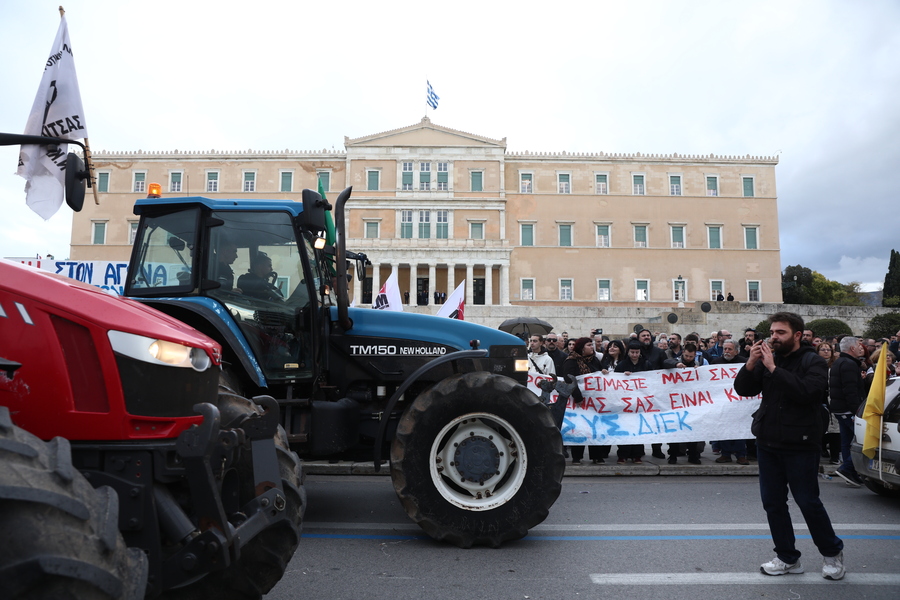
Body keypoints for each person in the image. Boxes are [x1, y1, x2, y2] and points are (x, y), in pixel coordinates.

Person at [734, 312, 845, 581]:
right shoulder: (768, 359)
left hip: (801, 444)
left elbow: (808, 393)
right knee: (773, 503)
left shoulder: (813, 361)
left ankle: (832, 553)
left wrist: (773, 369)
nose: (774, 337)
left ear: (797, 335)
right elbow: (744, 389)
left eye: (780, 332)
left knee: (808, 502)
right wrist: (751, 363)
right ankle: (787, 557)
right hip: (768, 442)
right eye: (772, 332)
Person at [561, 337, 605, 465]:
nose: (592, 347)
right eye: (589, 345)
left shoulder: (594, 360)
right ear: (581, 348)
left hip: (593, 400)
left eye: (592, 345)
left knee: (595, 427)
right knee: (579, 427)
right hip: (578, 401)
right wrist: (578, 396)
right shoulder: (571, 361)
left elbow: (598, 375)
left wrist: (603, 372)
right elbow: (569, 379)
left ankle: (597, 456)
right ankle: (577, 456)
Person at [828, 336, 866, 488]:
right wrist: (857, 411)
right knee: (864, 440)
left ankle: (851, 472)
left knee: (847, 441)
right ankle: (847, 468)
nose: (861, 348)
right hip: (848, 410)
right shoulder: (849, 364)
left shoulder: (840, 362)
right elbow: (850, 390)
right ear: (852, 348)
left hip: (840, 409)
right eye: (858, 345)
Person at [663, 342, 708, 465]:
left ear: (695, 355)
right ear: (683, 353)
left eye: (691, 356)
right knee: (675, 431)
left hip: (693, 403)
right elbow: (666, 362)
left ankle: (693, 455)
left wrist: (701, 371)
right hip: (677, 403)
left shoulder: (699, 363)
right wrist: (676, 365)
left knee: (693, 430)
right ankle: (673, 455)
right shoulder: (676, 361)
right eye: (686, 356)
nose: (688, 358)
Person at [615, 340, 652, 463]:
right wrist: (622, 376)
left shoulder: (646, 364)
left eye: (637, 352)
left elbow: (652, 380)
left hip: (641, 402)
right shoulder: (621, 365)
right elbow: (614, 382)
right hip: (625, 403)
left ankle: (637, 454)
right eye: (632, 352)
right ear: (628, 352)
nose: (635, 355)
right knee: (625, 429)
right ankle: (623, 454)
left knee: (639, 429)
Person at [817, 342, 840, 466]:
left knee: (834, 430)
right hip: (819, 400)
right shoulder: (814, 365)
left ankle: (835, 456)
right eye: (823, 349)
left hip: (832, 400)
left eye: (828, 350)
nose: (826, 352)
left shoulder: (835, 366)